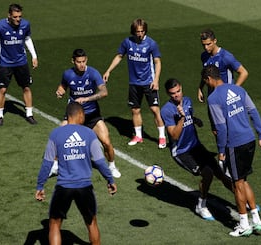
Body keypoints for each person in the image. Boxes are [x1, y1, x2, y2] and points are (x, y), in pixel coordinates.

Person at [35, 102, 117, 245]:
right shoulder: (89, 133)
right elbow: (99, 161)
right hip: (85, 187)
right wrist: (110, 179)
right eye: (84, 115)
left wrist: (40, 185)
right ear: (79, 115)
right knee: (91, 223)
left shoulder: (56, 133)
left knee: (54, 225)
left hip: (63, 187)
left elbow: (47, 163)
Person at [202, 65, 261, 237]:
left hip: (234, 144)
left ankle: (244, 224)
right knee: (243, 181)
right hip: (250, 141)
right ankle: (257, 220)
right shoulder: (238, 90)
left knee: (237, 184)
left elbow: (221, 127)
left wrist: (221, 150)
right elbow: (253, 111)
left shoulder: (213, 98)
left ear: (209, 79)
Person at [160, 78, 232, 221]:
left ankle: (241, 199)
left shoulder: (187, 101)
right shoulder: (166, 110)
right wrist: (182, 118)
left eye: (178, 91)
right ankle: (201, 205)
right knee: (208, 173)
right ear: (168, 94)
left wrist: (194, 119)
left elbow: (189, 116)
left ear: (181, 88)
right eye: (173, 93)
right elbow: (174, 135)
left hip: (195, 145)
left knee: (221, 173)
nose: (176, 95)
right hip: (182, 151)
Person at [55, 49, 121, 178]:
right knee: (59, 138)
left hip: (92, 115)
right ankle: (55, 166)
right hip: (74, 115)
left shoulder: (93, 73)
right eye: (79, 62)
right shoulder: (68, 74)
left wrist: (87, 99)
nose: (81, 64)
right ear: (73, 61)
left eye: (84, 61)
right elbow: (63, 86)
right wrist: (60, 91)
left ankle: (112, 166)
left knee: (106, 142)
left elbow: (104, 92)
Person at [103, 18, 166, 149]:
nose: (140, 33)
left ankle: (161, 137)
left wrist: (156, 80)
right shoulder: (127, 42)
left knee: (154, 109)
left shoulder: (151, 44)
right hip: (134, 83)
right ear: (133, 31)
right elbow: (119, 56)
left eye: (142, 31)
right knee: (135, 110)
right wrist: (108, 71)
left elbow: (157, 62)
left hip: (149, 82)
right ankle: (138, 136)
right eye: (137, 31)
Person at [0, 3, 38, 126]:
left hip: (21, 62)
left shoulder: (25, 24)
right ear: (9, 15)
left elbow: (27, 39)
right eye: (15, 17)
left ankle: (29, 114)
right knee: (3, 89)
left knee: (26, 87)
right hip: (5, 63)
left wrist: (34, 56)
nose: (18, 19)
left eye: (19, 16)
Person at [198, 29, 248, 135]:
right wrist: (200, 88)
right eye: (204, 45)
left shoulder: (226, 56)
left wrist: (234, 89)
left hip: (226, 100)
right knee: (216, 131)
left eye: (208, 44)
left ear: (215, 41)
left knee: (228, 130)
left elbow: (244, 72)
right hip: (212, 98)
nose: (206, 47)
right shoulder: (204, 56)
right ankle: (222, 152)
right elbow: (206, 75)